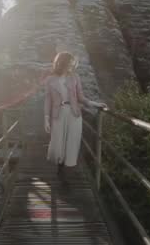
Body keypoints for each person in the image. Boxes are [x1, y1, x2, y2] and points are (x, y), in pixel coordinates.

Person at [44, 52, 107, 182]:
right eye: (70, 63)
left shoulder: (75, 77)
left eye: (73, 63)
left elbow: (81, 97)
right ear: (62, 63)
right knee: (58, 143)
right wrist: (46, 118)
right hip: (58, 114)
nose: (72, 66)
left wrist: (95, 104)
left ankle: (65, 174)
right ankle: (60, 166)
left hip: (74, 114)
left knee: (71, 143)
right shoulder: (50, 79)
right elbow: (48, 100)